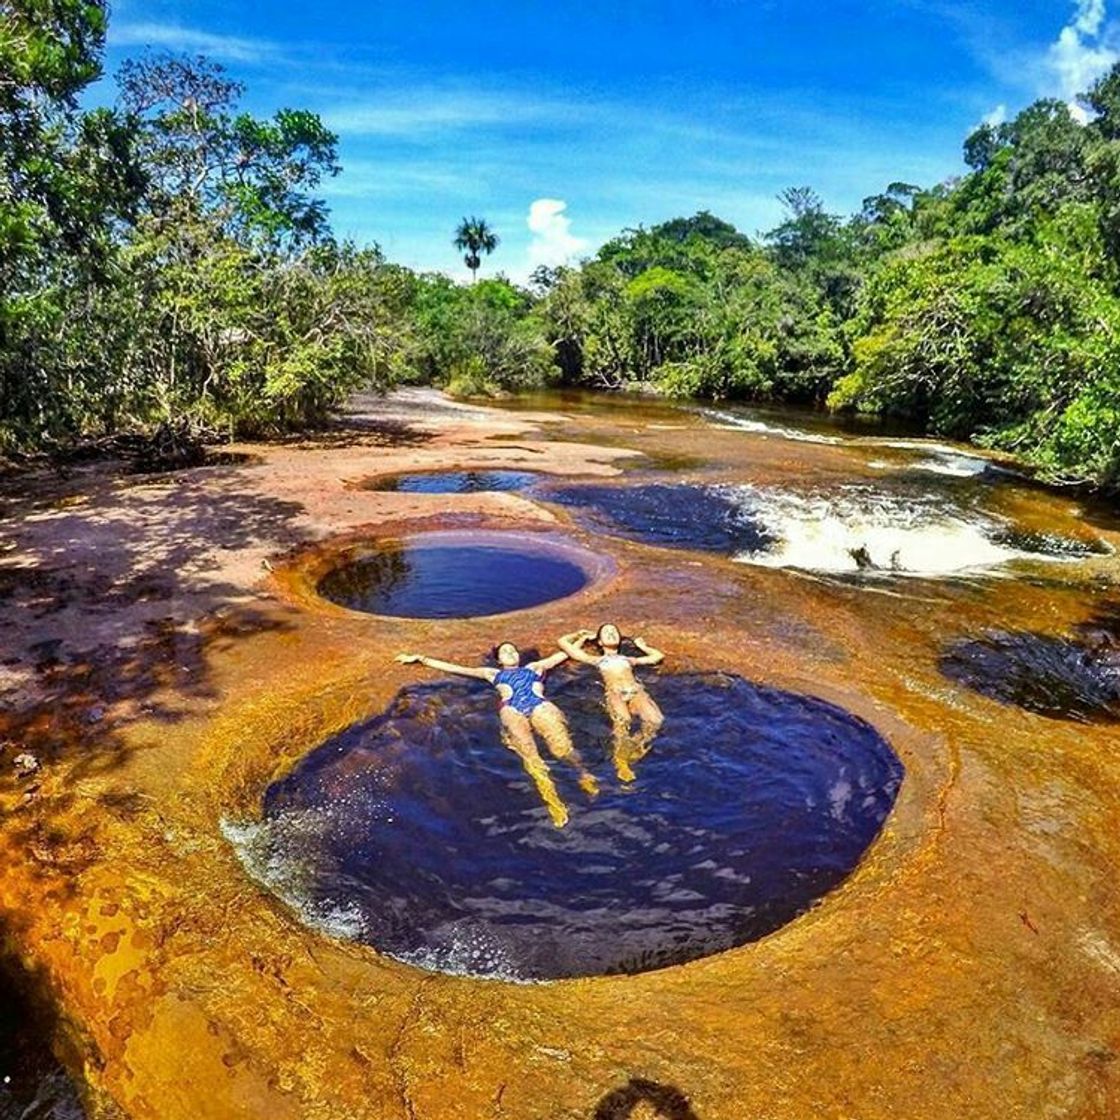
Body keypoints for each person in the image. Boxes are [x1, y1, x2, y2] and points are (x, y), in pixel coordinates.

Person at [393, 641, 598, 827]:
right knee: (530, 754)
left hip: (539, 704)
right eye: (504, 651)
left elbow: (565, 654)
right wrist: (422, 659)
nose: (510, 653)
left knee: (562, 747)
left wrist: (581, 639)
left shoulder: (535, 666)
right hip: (512, 709)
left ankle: (582, 773)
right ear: (498, 660)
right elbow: (457, 669)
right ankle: (552, 799)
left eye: (513, 650)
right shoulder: (491, 674)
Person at [558, 624, 664, 782]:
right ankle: (620, 762)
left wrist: (643, 646)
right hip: (615, 693)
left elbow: (657, 656)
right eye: (606, 633)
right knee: (623, 722)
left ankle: (636, 746)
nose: (611, 634)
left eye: (614, 632)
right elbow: (563, 642)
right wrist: (580, 635)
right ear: (599, 642)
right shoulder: (596, 659)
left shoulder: (628, 659)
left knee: (656, 720)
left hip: (635, 691)